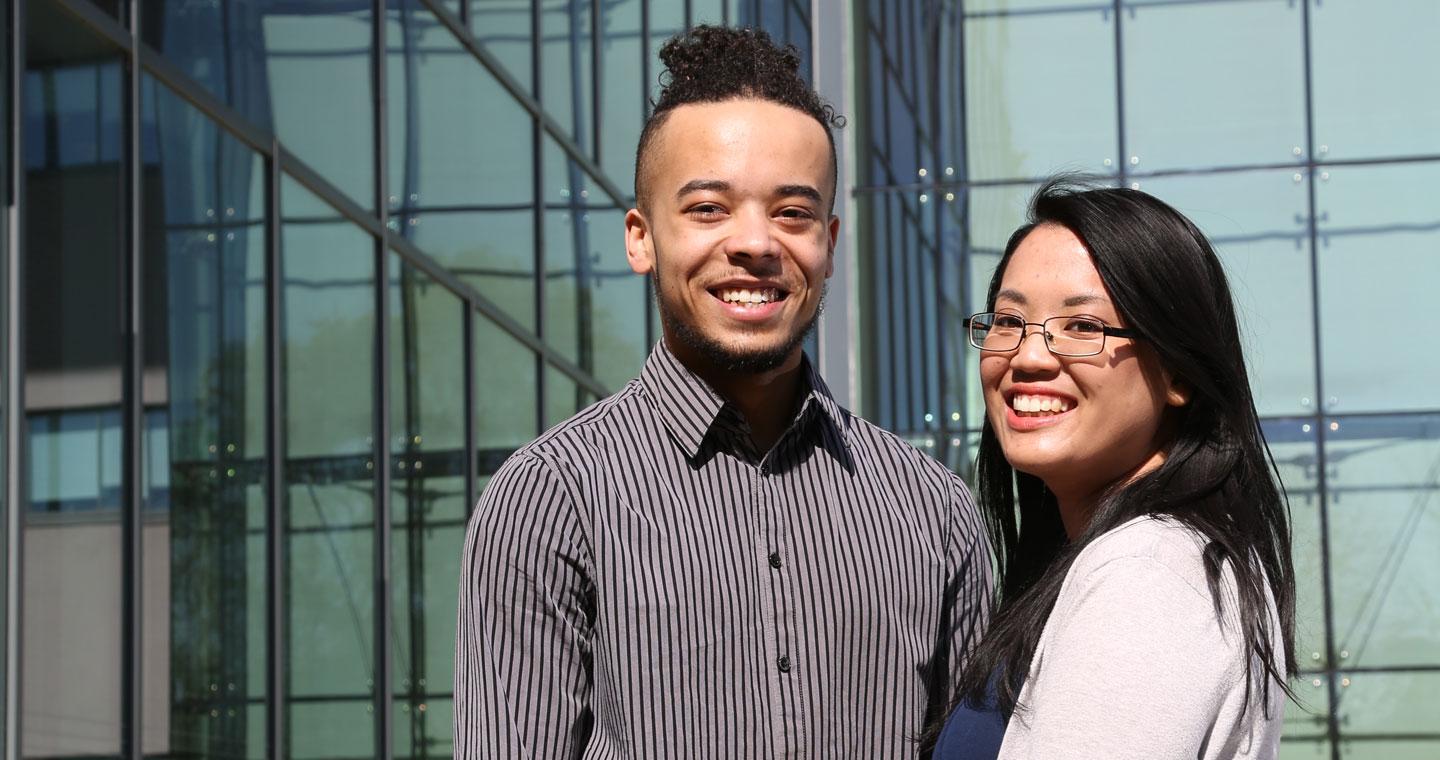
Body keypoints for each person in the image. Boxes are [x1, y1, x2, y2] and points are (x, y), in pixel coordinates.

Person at [455, 25, 991, 759]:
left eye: (793, 213)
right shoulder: (550, 499)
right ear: (641, 238)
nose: (757, 243)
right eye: (709, 208)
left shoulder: (934, 511)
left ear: (829, 243)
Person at [932, 180, 1297, 760]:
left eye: (1083, 327)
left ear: (1179, 373)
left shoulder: (1150, 575)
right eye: (1008, 320)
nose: (1027, 357)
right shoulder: (1117, 559)